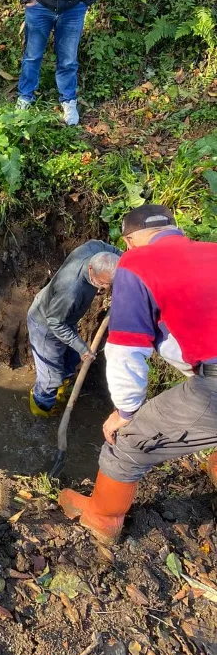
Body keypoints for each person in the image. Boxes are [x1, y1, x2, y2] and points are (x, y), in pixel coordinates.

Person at [59, 205, 217, 545]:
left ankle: (101, 517)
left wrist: (127, 412)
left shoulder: (136, 263)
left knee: (128, 441)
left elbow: (126, 352)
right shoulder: (211, 252)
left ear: (129, 241)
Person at [27, 241, 121, 417]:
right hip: (46, 326)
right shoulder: (71, 290)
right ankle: (41, 411)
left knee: (70, 362)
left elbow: (113, 251)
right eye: (104, 284)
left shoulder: (95, 250)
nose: (107, 288)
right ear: (91, 270)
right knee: (51, 378)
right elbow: (55, 323)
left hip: (65, 319)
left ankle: (61, 394)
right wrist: (82, 348)